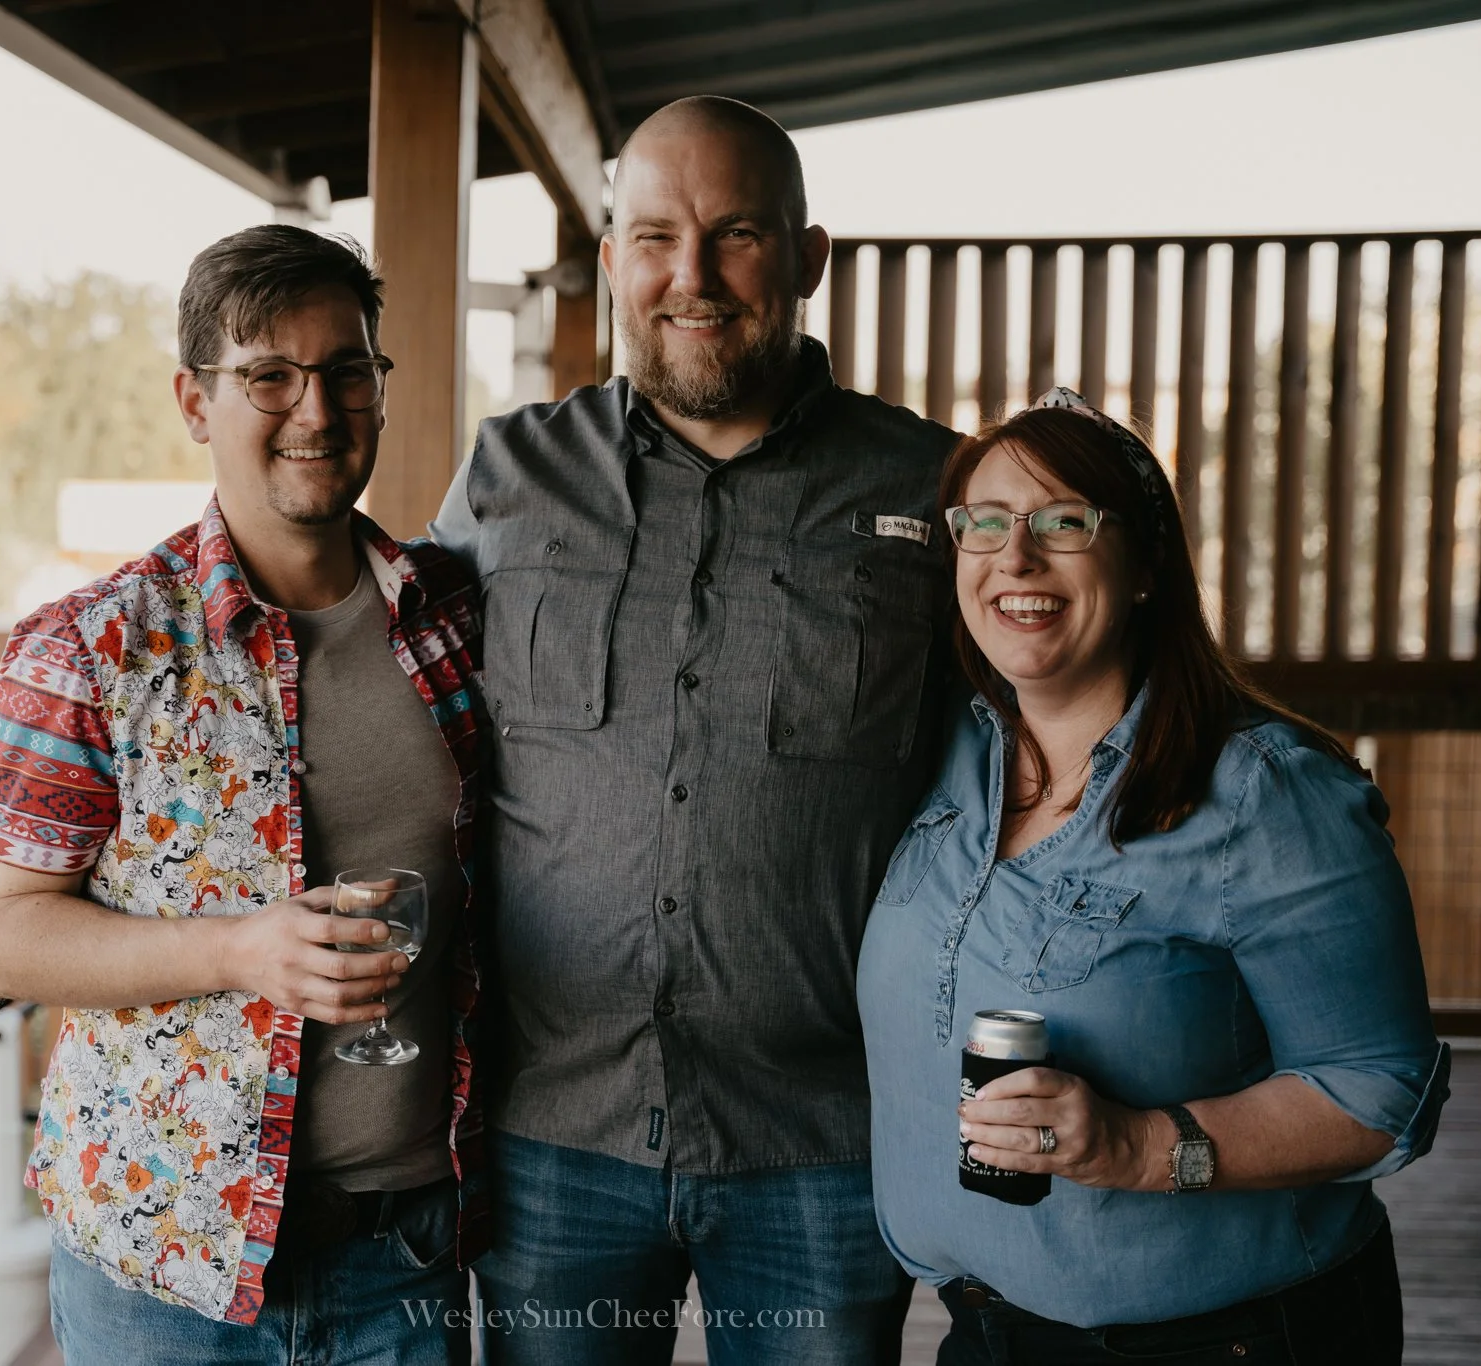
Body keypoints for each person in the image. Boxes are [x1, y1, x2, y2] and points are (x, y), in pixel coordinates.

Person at [431, 96, 954, 1365]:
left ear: (807, 257)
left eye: (735, 236)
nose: (692, 277)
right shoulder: (505, 479)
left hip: (821, 1142)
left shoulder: (931, 487)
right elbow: (396, 724)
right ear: (612, 262)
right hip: (555, 1131)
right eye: (655, 237)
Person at [0, 225, 487, 1366]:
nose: (316, 408)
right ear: (196, 401)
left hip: (404, 1249)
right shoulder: (88, 646)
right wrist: (241, 950)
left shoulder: (456, 616)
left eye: (348, 369)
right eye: (268, 376)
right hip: (167, 1267)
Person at [857, 389, 1449, 1365]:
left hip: (1231, 1339)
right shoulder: (948, 753)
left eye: (1062, 521)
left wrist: (1130, 1145)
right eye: (985, 523)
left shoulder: (1268, 794)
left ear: (1141, 567)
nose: (1015, 557)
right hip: (986, 1325)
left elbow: (1376, 1093)